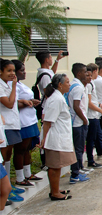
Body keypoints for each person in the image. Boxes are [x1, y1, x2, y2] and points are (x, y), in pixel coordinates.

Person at [40, 74, 75, 200]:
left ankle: (56, 189)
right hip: (54, 139)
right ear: (60, 85)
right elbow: (48, 121)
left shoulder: (58, 97)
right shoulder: (56, 99)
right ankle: (54, 193)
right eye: (67, 82)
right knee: (54, 166)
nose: (69, 84)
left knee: (58, 165)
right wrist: (44, 139)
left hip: (60, 137)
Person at [12, 60, 42, 187]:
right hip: (22, 121)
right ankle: (19, 177)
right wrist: (25, 102)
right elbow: (13, 103)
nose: (24, 73)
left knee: (28, 149)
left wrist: (31, 101)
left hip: (30, 120)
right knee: (20, 149)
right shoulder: (13, 87)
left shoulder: (21, 85)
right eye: (22, 70)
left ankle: (28, 173)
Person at [0, 60, 26, 203]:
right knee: (3, 158)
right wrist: (15, 86)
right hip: (6, 126)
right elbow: (9, 104)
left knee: (8, 156)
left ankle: (8, 185)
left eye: (13, 71)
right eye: (8, 71)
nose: (12, 74)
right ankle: (5, 189)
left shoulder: (7, 85)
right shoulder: (1, 86)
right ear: (0, 71)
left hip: (12, 124)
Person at [67, 63, 91, 184]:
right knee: (78, 149)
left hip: (76, 121)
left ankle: (78, 169)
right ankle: (75, 174)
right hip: (78, 122)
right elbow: (76, 106)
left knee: (78, 148)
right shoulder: (78, 87)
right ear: (78, 73)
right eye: (84, 71)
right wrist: (84, 119)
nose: (86, 74)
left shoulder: (73, 85)